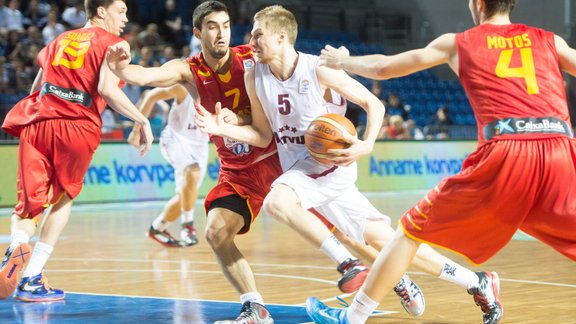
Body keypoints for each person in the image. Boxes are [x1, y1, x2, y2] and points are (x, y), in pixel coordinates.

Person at [196, 5, 498, 322]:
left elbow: (373, 104)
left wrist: (365, 145)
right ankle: (477, 282)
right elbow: (261, 135)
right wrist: (223, 129)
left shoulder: (318, 70)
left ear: (281, 36)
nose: (250, 41)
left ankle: (348, 264)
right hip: (301, 170)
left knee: (276, 201)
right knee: (393, 243)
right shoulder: (254, 75)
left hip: (330, 165)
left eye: (258, 35)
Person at [306, 0, 576, 323]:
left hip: (507, 150)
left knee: (407, 233)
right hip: (561, 148)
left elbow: (383, 68)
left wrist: (345, 60)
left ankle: (353, 317)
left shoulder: (458, 43)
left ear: (477, 4)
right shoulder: (550, 40)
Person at [106, 2, 370, 322]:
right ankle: (254, 306)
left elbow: (293, 63)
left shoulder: (251, 56)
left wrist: (339, 63)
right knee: (216, 233)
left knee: (345, 231)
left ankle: (394, 277)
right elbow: (148, 76)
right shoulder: (188, 69)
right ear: (197, 32)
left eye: (226, 25)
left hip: (280, 161)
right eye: (213, 26)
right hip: (238, 171)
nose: (221, 33)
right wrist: (120, 66)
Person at [0, 0, 153, 302]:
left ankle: (16, 244)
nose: (126, 17)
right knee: (63, 198)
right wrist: (141, 118)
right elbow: (108, 90)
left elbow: (37, 86)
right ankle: (31, 276)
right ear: (100, 11)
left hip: (38, 120)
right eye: (120, 11)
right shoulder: (113, 43)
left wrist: (41, 110)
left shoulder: (59, 39)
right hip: (76, 124)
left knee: (27, 204)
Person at [127, 84, 209, 247]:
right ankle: (187, 226)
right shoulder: (185, 88)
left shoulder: (223, 90)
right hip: (175, 138)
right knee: (193, 172)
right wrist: (137, 132)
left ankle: (157, 228)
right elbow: (150, 96)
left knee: (186, 197)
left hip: (201, 145)